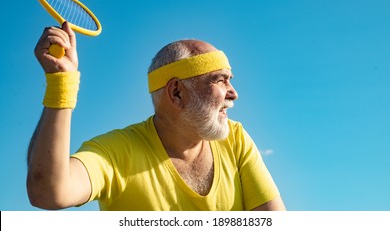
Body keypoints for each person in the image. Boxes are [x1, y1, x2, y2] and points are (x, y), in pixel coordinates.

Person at [27, 22, 286, 211]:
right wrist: (62, 84)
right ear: (176, 93)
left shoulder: (236, 140)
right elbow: (48, 193)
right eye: (220, 80)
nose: (234, 93)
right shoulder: (116, 152)